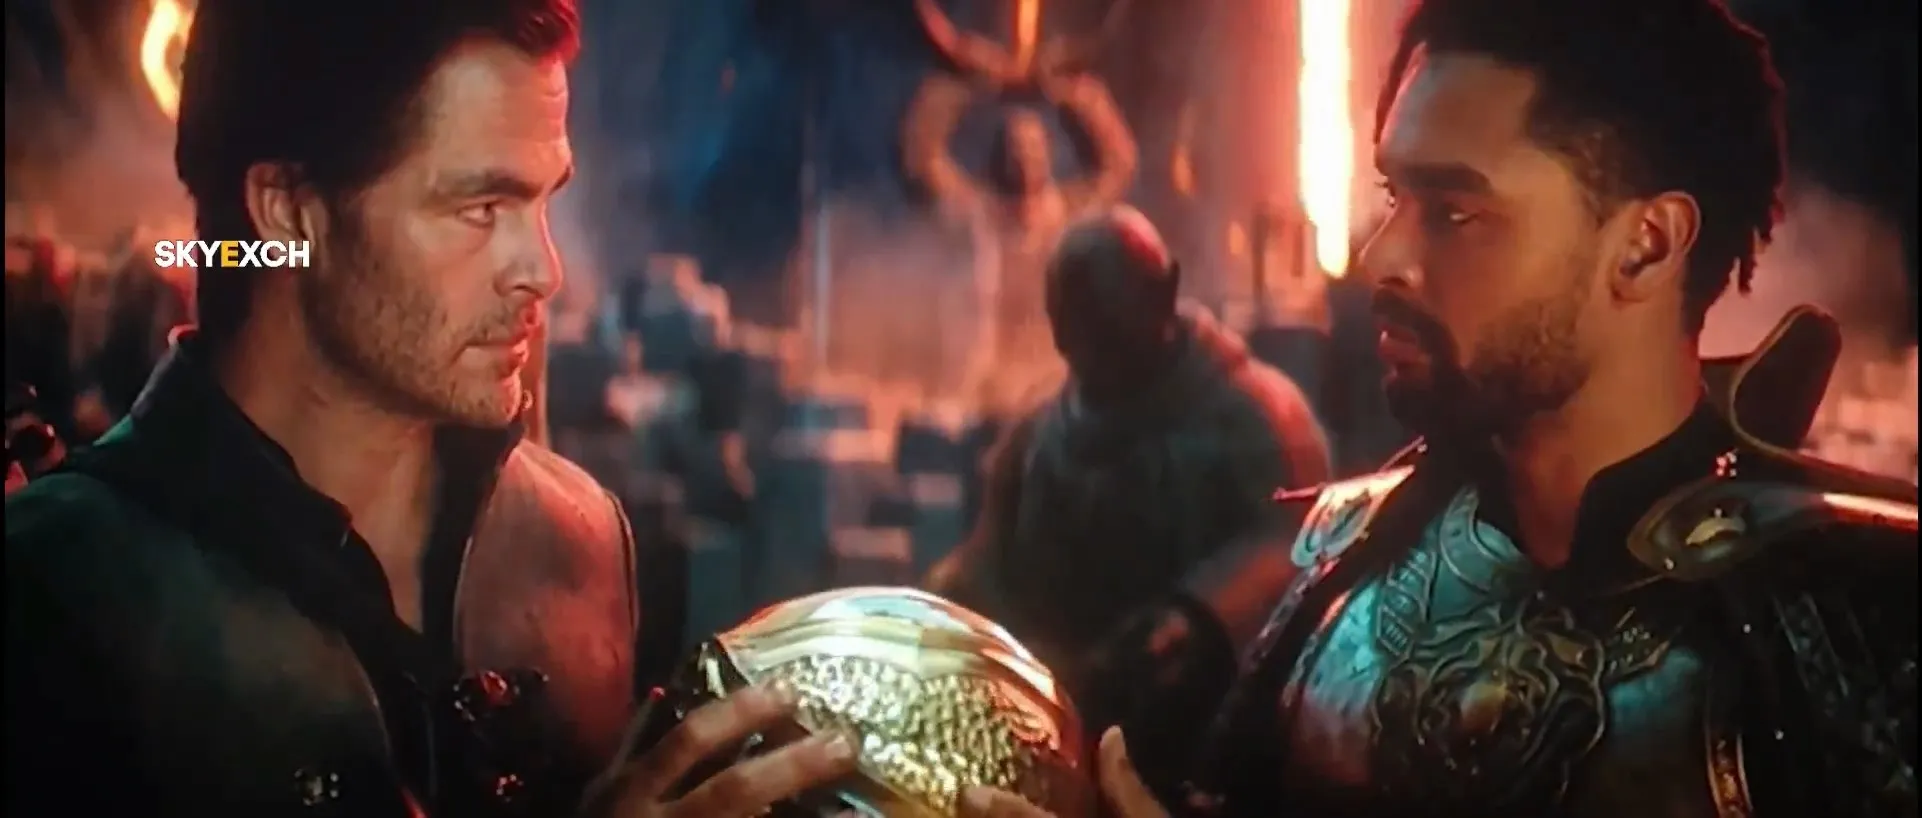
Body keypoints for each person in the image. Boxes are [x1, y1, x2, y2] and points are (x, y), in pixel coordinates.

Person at [957, 2, 1918, 817]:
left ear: (1646, 246)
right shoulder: (1351, 580)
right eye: (1393, 196)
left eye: (1453, 211)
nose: (1380, 258)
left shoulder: (1852, 619)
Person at [4, 1, 852, 816]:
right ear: (288, 212)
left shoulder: (575, 539)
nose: (544, 271)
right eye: (481, 208)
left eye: (543, 201)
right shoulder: (59, 589)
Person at [926, 206, 1332, 777]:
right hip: (1056, 727)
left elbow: (1300, 544)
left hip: (1203, 745)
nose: (1091, 351)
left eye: (1107, 327)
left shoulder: (1256, 415)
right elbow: (987, 564)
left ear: (1162, 295)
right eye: (1074, 328)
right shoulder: (1038, 436)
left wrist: (1199, 616)